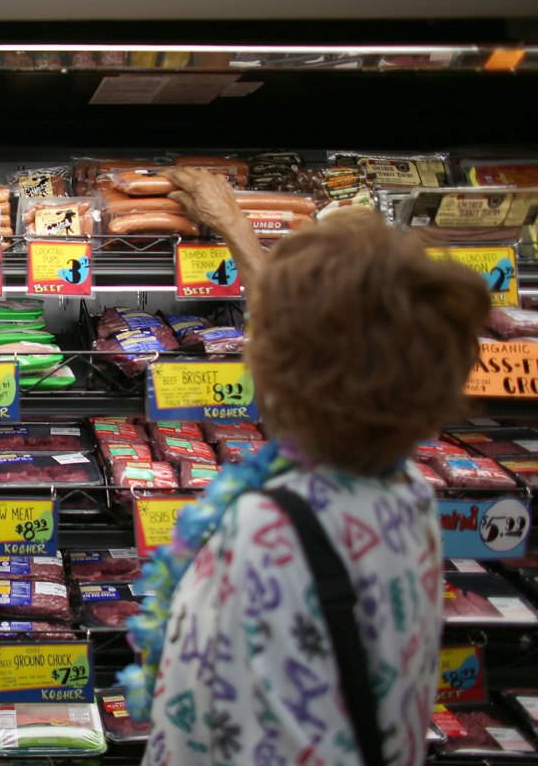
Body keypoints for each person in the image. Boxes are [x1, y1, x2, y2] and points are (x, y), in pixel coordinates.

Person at [122, 167, 491, 766]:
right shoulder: (409, 496)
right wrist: (237, 228)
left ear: (283, 369)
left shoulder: (263, 528)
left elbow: (195, 719)